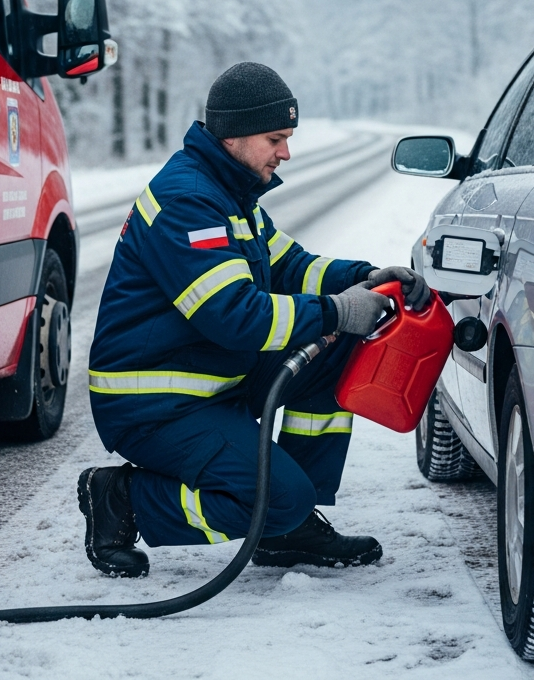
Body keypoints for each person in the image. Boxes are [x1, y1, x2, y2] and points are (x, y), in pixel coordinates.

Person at [78, 62, 430, 578]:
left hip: (211, 379)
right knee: (276, 498)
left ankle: (290, 529)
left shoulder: (230, 194)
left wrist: (366, 276)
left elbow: (291, 266)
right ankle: (125, 498)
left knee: (336, 354)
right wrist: (338, 310)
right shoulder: (187, 202)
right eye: (275, 138)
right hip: (155, 402)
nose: (285, 153)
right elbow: (235, 318)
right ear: (235, 134)